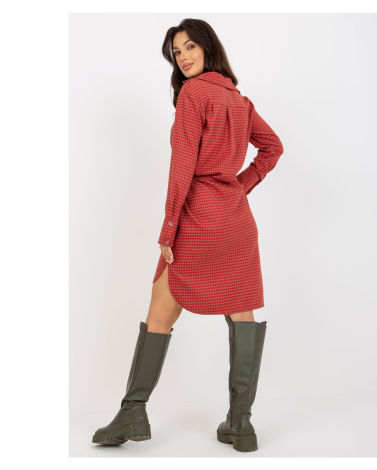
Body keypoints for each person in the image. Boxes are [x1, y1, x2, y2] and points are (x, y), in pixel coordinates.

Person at [92, 18, 284, 453]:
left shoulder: (193, 95)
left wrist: (168, 229)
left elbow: (182, 169)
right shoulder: (239, 100)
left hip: (197, 218)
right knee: (241, 311)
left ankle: (133, 410)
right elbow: (273, 148)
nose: (183, 57)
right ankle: (241, 423)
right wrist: (238, 186)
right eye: (176, 52)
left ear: (208, 47)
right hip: (236, 221)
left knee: (161, 308)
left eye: (190, 47)